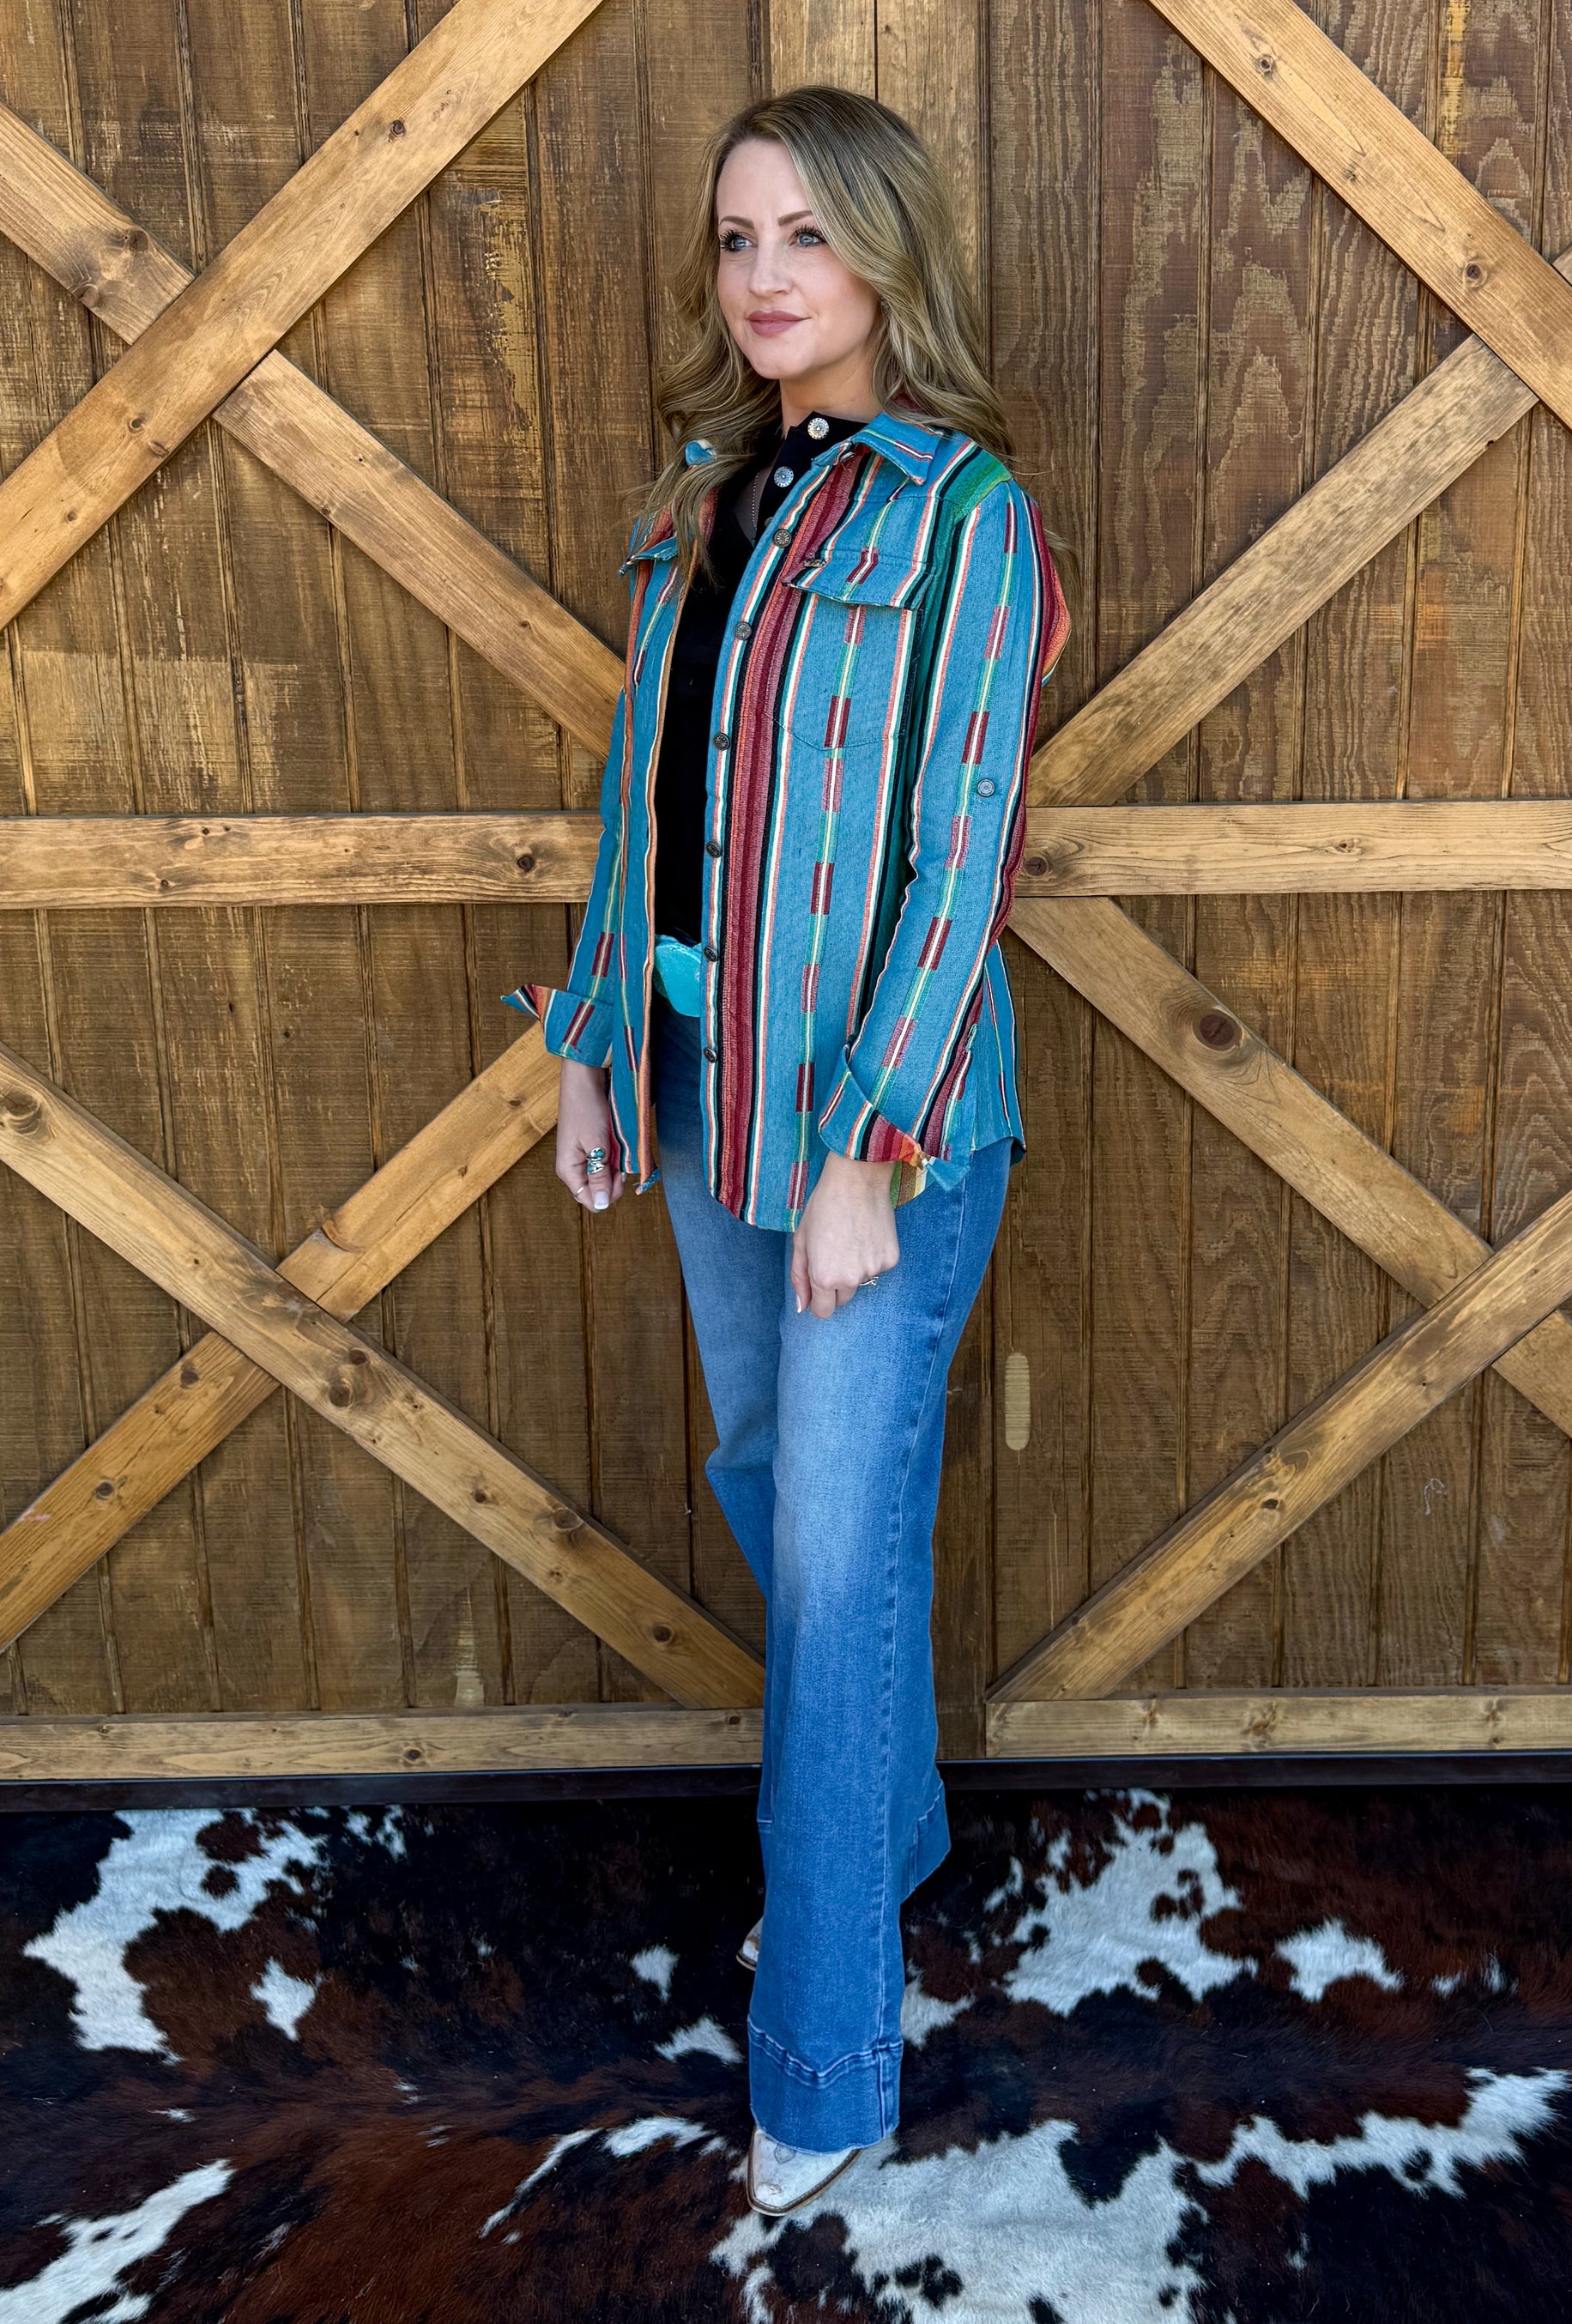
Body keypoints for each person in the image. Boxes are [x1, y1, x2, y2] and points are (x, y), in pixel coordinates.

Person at [505, 82, 1070, 2216]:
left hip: (870, 1125)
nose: (763, 277)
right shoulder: (698, 497)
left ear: (888, 260)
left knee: (836, 1572)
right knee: (766, 1472)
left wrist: (870, 1147)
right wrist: (590, 1041)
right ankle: (884, 1825)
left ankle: (826, 2055)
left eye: (807, 236)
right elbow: (639, 796)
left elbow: (962, 851)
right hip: (691, 1082)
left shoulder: (965, 516)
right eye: (738, 237)